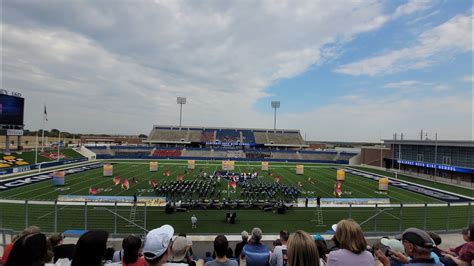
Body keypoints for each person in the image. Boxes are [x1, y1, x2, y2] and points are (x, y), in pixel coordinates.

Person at [375, 228, 443, 266]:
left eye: (404, 242)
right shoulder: (440, 264)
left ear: (410, 247)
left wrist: (386, 263)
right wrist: (408, 261)